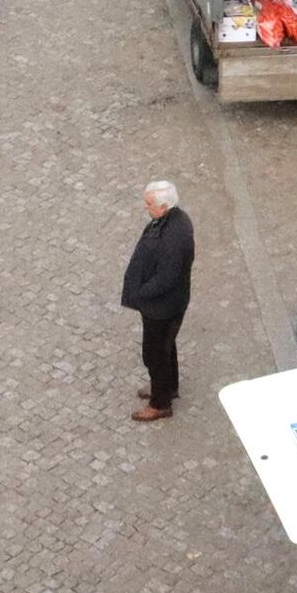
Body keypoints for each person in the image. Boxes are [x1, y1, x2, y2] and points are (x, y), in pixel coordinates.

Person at [121, 181, 194, 422]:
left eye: (149, 203)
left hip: (162, 307)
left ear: (163, 207)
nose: (146, 207)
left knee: (155, 354)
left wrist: (141, 291)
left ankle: (160, 403)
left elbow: (166, 278)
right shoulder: (176, 220)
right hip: (166, 304)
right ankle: (167, 387)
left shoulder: (174, 237)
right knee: (165, 348)